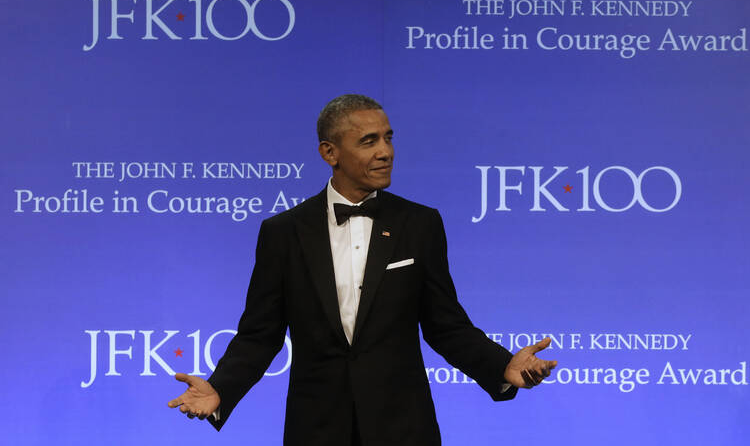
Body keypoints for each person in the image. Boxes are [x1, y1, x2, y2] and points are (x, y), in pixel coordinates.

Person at [168, 94, 557, 445]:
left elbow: (445, 324)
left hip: (404, 428)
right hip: (316, 429)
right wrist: (220, 389)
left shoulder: (419, 224)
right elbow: (260, 334)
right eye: (368, 141)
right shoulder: (283, 233)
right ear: (329, 152)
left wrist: (502, 365)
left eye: (388, 138)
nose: (385, 151)